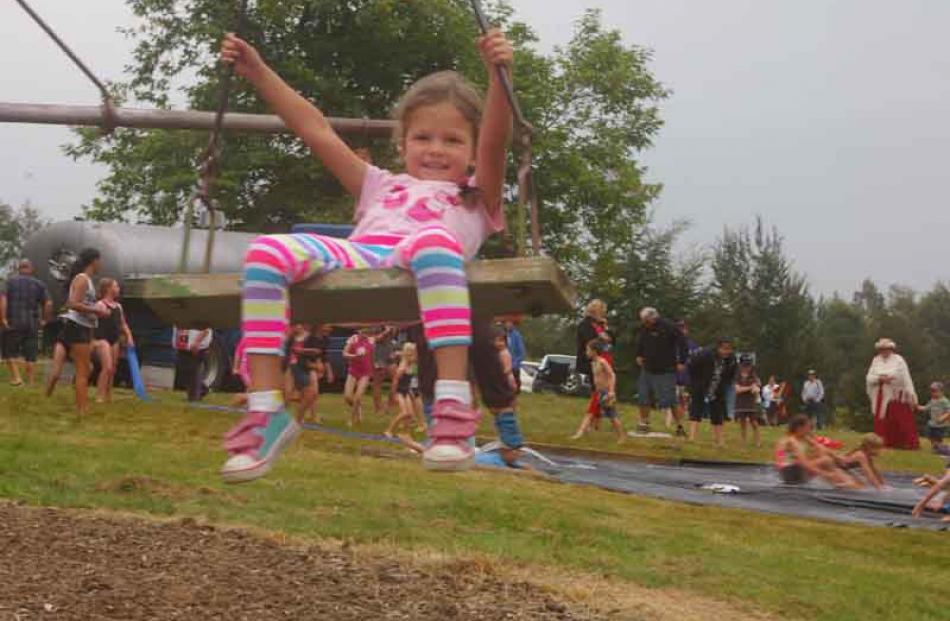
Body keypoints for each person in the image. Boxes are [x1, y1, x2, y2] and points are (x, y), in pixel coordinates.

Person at [217, 26, 514, 481]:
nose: (436, 150)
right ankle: (265, 413)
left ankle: (451, 411)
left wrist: (498, 75)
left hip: (425, 264)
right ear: (403, 142)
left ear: (473, 153)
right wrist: (258, 72)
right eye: (423, 138)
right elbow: (314, 129)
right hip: (362, 259)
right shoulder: (379, 184)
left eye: (452, 141)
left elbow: (497, 139)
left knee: (434, 241)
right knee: (266, 251)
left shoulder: (477, 196)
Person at [45, 248, 109, 416]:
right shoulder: (82, 279)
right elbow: (72, 303)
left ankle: (81, 406)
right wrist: (96, 310)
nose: (101, 263)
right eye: (99, 260)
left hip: (82, 327)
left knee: (85, 369)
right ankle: (82, 410)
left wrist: (93, 313)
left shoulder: (87, 280)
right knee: (83, 371)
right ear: (93, 261)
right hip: (76, 327)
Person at [634, 307, 687, 435]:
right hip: (647, 368)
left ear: (654, 317)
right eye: (643, 321)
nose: (645, 323)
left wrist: (682, 361)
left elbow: (683, 342)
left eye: (646, 320)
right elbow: (641, 341)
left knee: (670, 400)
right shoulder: (644, 328)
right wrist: (639, 355)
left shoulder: (669, 327)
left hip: (666, 369)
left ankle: (679, 427)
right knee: (643, 396)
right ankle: (644, 423)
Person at [0, 259, 52, 387]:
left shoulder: (9, 282)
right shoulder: (39, 284)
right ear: (31, 269)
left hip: (13, 321)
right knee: (31, 354)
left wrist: (3, 318)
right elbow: (49, 303)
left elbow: (3, 299)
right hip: (32, 323)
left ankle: (17, 378)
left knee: (9, 351)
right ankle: (31, 382)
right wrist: (45, 320)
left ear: (19, 268)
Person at [774, 414, 861, 488]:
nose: (810, 430)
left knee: (822, 454)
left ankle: (843, 481)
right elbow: (803, 463)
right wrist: (825, 474)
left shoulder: (802, 437)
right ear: (799, 428)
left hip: (794, 469)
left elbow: (819, 447)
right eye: (808, 427)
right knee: (826, 461)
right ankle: (843, 483)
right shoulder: (791, 441)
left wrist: (837, 457)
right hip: (790, 474)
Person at [865, 338, 919, 450]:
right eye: (882, 349)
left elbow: (903, 376)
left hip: (896, 395)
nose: (884, 351)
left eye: (886, 349)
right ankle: (883, 441)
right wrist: (880, 379)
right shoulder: (876, 360)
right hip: (880, 393)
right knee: (882, 419)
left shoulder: (899, 360)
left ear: (891, 349)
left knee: (900, 419)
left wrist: (890, 378)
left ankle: (905, 443)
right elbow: (869, 377)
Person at [686, 337, 737, 446]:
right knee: (696, 409)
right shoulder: (706, 354)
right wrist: (696, 381)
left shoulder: (732, 359)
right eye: (724, 349)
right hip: (700, 384)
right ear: (718, 348)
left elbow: (731, 374)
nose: (726, 352)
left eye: (729, 349)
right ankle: (692, 437)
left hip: (718, 386)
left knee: (718, 413)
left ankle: (720, 441)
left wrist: (724, 384)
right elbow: (691, 365)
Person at [571, 340, 625, 443]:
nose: (586, 352)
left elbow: (612, 375)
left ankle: (621, 437)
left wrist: (611, 391)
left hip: (606, 393)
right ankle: (580, 433)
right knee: (590, 413)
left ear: (594, 351)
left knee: (612, 416)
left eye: (588, 350)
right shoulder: (593, 363)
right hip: (598, 393)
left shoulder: (602, 362)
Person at [92, 278, 133, 403]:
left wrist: (129, 337)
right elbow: (91, 321)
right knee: (107, 367)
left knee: (113, 369)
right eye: (116, 286)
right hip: (102, 339)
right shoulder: (100, 304)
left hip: (114, 339)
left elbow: (123, 324)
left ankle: (108, 395)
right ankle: (99, 396)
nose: (118, 289)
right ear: (109, 289)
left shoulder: (118, 307)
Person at [575, 299, 613, 429]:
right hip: (592, 361)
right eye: (602, 311)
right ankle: (593, 421)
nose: (603, 314)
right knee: (597, 391)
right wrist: (603, 338)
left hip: (604, 360)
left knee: (601, 391)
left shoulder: (600, 325)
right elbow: (591, 342)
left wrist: (606, 329)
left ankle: (596, 421)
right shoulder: (585, 325)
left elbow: (611, 339)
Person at [384, 342, 423, 442]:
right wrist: (393, 395)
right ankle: (389, 430)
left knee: (410, 414)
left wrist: (410, 393)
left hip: (406, 391)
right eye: (414, 353)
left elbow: (408, 382)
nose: (415, 356)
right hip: (399, 391)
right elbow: (395, 381)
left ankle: (406, 433)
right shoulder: (403, 367)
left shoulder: (410, 364)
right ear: (409, 354)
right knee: (404, 412)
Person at [343, 329, 375, 427]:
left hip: (366, 372)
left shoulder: (371, 340)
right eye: (363, 331)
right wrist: (353, 356)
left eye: (367, 331)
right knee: (348, 397)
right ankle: (358, 407)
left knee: (358, 397)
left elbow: (372, 356)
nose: (364, 333)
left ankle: (352, 419)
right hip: (353, 370)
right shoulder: (353, 339)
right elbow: (344, 353)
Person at [173, 326, 213, 402]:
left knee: (193, 369)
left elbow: (207, 327)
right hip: (183, 344)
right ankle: (202, 389)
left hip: (197, 345)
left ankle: (194, 397)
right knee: (183, 370)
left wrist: (197, 341)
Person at [673, 319, 699, 436]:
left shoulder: (692, 345)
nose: (681, 331)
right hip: (672, 376)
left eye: (683, 328)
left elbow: (696, 361)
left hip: (686, 377)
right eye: (679, 328)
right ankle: (673, 422)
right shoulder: (671, 344)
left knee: (683, 400)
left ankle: (680, 422)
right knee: (673, 400)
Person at [734, 357, 763, 447]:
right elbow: (737, 390)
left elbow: (757, 389)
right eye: (745, 365)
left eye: (748, 365)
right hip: (741, 402)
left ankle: (758, 441)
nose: (746, 368)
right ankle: (743, 441)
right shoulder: (737, 376)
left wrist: (754, 388)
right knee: (742, 423)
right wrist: (750, 388)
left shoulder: (754, 376)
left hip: (751, 403)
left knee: (754, 422)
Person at [917, 381, 950, 455]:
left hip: (941, 425)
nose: (933, 393)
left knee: (938, 438)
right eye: (932, 392)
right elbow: (926, 408)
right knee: (931, 436)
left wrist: (943, 417)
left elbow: (949, 411)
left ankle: (941, 449)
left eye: (935, 391)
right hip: (933, 423)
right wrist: (917, 407)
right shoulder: (932, 401)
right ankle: (936, 448)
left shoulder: (944, 401)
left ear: (941, 392)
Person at [370, 325, 397, 416]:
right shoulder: (377, 324)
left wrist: (392, 330)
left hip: (389, 353)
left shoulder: (391, 323)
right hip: (379, 355)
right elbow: (375, 339)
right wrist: (386, 331)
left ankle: (389, 404)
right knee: (377, 383)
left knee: (396, 379)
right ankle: (378, 408)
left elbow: (393, 336)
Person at [493, 324, 518, 392]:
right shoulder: (498, 353)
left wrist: (501, 375)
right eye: (496, 341)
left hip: (506, 378)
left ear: (505, 342)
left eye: (501, 341)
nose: (498, 343)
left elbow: (508, 368)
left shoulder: (505, 353)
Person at [504, 319, 526, 392]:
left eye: (510, 323)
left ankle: (515, 392)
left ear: (513, 325)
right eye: (507, 323)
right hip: (504, 363)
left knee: (515, 381)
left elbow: (521, 352)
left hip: (514, 364)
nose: (508, 325)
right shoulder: (503, 334)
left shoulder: (516, 335)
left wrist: (515, 363)